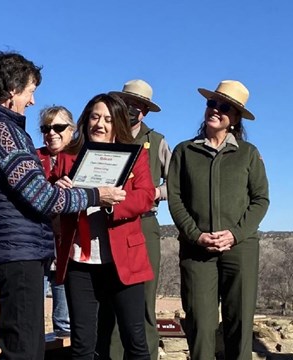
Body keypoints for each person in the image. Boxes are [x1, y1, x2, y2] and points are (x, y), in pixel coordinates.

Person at [0, 51, 126, 360]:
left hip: (10, 246)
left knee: (24, 344)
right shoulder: (3, 132)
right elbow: (40, 198)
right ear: (13, 90)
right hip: (18, 250)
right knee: (25, 350)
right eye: (30, 91)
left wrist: (52, 188)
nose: (32, 100)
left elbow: (25, 189)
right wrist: (95, 195)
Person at [167, 80, 269, 360]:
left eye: (225, 107)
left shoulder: (247, 154)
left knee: (239, 322)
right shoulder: (184, 151)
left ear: (235, 118)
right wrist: (194, 234)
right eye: (213, 103)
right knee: (200, 323)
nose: (216, 110)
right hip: (196, 249)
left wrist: (235, 234)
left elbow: (261, 199)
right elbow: (175, 198)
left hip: (241, 248)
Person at [52, 93, 155, 360]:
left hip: (124, 261)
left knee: (135, 341)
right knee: (82, 345)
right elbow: (51, 201)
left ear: (118, 123)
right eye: (95, 117)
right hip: (79, 263)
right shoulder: (67, 157)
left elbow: (145, 196)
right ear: (86, 120)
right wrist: (58, 191)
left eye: (108, 119)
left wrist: (111, 203)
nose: (100, 124)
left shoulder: (136, 156)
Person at [109, 79, 170, 360]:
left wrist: (155, 192)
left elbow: (177, 183)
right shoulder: (107, 135)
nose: (131, 110)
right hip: (108, 223)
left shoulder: (156, 142)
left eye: (137, 105)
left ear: (144, 110)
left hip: (144, 223)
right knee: (111, 299)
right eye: (127, 102)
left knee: (144, 300)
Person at [36, 105, 76, 337]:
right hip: (38, 245)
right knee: (30, 311)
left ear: (72, 129)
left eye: (59, 127)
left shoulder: (80, 159)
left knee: (66, 319)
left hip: (68, 247)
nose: (52, 133)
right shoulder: (32, 158)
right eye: (46, 128)